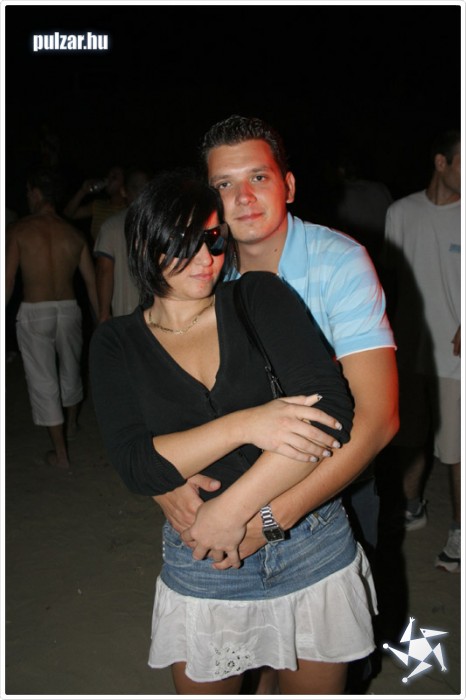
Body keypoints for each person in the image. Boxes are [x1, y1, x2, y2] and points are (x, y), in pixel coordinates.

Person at [89, 170, 378, 695]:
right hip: (206, 561)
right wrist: (246, 423)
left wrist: (232, 511)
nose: (206, 258)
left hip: (308, 542)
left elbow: (331, 412)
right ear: (146, 243)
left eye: (214, 239)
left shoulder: (256, 297)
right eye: (185, 242)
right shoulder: (117, 343)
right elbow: (136, 464)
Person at [154, 116, 399, 692]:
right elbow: (155, 390)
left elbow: (378, 420)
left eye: (258, 177)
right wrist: (165, 485)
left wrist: (270, 519)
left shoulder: (339, 262)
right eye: (224, 184)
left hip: (334, 485)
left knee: (327, 658)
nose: (242, 197)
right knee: (249, 656)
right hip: (231, 487)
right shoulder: (202, 271)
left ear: (288, 185)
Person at [382, 129, 461, 572]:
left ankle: (461, 530)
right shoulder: (400, 212)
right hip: (409, 346)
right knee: (409, 436)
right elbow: (391, 278)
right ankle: (412, 505)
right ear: (441, 163)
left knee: (455, 448)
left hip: (456, 356)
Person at [5, 166, 99, 470]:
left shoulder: (19, 230)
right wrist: (101, 318)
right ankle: (70, 426)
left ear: (35, 193)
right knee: (71, 370)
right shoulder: (74, 233)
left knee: (43, 379)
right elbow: (91, 283)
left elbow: (7, 281)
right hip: (69, 309)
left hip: (35, 311)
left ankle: (60, 455)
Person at [93, 167, 151, 322]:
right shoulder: (162, 225)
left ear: (124, 191)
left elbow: (104, 271)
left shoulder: (111, 226)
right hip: (160, 318)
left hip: (125, 317)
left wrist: (104, 314)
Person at [64, 164, 126, 240]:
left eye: (114, 177)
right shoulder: (98, 205)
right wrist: (82, 191)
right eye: (108, 176)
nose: (108, 179)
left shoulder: (129, 210)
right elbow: (68, 214)